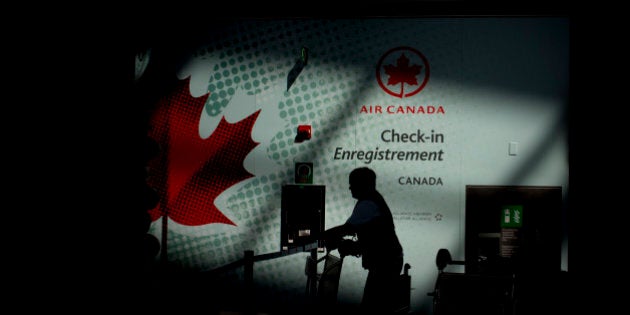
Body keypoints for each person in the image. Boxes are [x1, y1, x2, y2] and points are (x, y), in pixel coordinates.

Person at [324, 167, 404, 314]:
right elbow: (373, 236)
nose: (349, 187)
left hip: (385, 263)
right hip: (388, 261)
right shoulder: (371, 200)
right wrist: (355, 247)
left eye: (352, 183)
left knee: (371, 307)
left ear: (363, 184)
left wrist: (321, 236)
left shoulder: (368, 203)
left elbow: (347, 229)